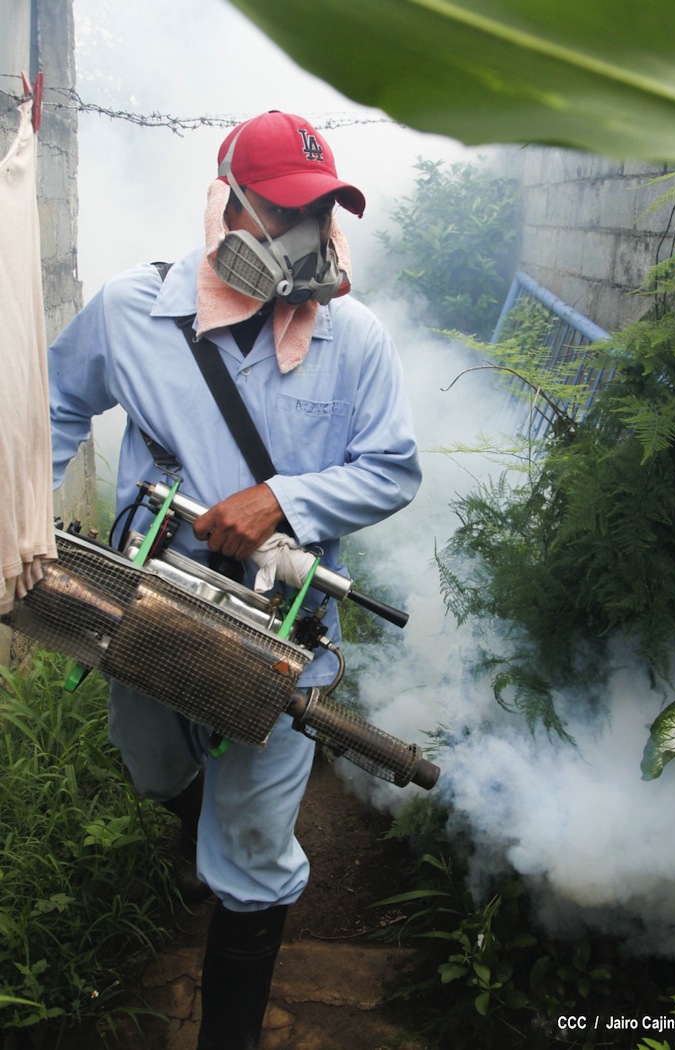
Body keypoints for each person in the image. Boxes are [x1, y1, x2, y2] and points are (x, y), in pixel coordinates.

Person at [48, 110, 421, 1049]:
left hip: (279, 627)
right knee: (154, 764)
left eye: (324, 213)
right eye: (286, 212)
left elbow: (393, 467)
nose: (310, 239)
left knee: (253, 850)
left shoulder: (356, 336)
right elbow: (53, 406)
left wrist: (284, 501)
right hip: (151, 608)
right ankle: (196, 824)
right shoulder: (136, 313)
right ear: (229, 207)